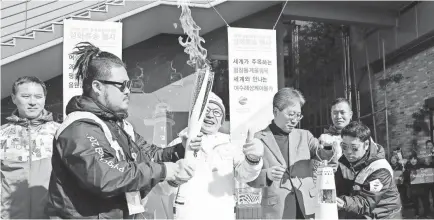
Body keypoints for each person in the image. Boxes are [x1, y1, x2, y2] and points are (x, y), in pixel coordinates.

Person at [45, 42, 202, 219]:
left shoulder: (119, 125)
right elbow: (106, 176)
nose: (128, 91)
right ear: (97, 87)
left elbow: (149, 155)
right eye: (121, 85)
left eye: (128, 84)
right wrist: (165, 170)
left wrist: (180, 149)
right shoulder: (79, 127)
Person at [155, 92, 264, 220]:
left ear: (222, 120)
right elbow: (161, 189)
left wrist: (253, 159)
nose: (211, 115)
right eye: (206, 110)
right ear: (196, 116)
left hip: (222, 213)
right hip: (187, 214)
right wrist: (175, 179)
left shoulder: (230, 144)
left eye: (217, 112)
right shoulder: (177, 145)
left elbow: (245, 175)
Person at [247, 87, 336, 219]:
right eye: (291, 114)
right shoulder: (258, 139)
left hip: (307, 208)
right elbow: (250, 178)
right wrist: (267, 175)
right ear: (276, 111)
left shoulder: (305, 136)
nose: (295, 120)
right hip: (277, 211)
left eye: (298, 115)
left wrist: (328, 146)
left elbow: (322, 156)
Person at [0, 76, 60, 219]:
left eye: (38, 96)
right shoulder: (2, 134)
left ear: (45, 98)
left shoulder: (60, 133)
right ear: (14, 98)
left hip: (51, 215)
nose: (32, 102)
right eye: (25, 96)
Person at [335, 121, 402, 219]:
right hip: (361, 214)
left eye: (354, 148)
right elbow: (339, 189)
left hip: (383, 216)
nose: (348, 152)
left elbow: (366, 202)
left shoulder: (380, 169)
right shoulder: (344, 162)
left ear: (366, 145)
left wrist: (344, 202)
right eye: (344, 147)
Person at [405, 153, 430, 218]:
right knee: (415, 201)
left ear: (417, 159)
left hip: (422, 187)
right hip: (413, 188)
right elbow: (406, 178)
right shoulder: (407, 167)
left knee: (425, 201)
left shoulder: (422, 166)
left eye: (414, 159)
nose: (413, 161)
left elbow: (427, 175)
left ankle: (426, 214)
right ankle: (417, 214)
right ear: (409, 160)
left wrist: (423, 171)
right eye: (411, 159)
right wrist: (406, 172)